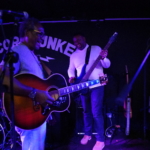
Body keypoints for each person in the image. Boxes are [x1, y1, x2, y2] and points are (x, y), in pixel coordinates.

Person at [0, 18, 54, 150]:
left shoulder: (32, 54)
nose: (42, 37)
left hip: (36, 113)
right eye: (39, 33)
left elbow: (39, 86)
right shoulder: (17, 51)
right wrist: (35, 94)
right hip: (26, 114)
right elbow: (4, 79)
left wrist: (47, 107)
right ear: (27, 32)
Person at [68, 33, 111, 150]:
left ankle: (100, 140)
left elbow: (107, 65)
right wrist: (71, 76)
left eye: (79, 40)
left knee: (96, 112)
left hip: (97, 84)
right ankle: (88, 134)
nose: (77, 43)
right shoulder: (73, 55)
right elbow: (71, 69)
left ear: (84, 39)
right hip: (83, 86)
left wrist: (103, 58)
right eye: (75, 42)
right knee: (86, 111)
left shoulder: (96, 48)